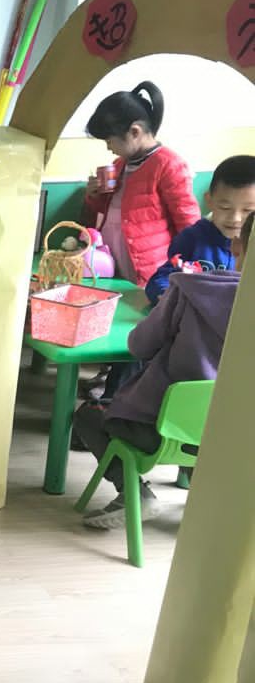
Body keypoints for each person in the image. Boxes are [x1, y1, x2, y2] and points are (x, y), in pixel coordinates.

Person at [75, 212, 247, 529]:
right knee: (207, 419)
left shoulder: (189, 290)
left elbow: (139, 346)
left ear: (236, 247)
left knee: (88, 414)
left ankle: (134, 494)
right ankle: (206, 505)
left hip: (158, 431)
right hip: (230, 439)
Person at [84, 82, 200, 287]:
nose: (109, 147)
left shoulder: (169, 164)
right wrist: (94, 196)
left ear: (134, 132)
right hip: (112, 261)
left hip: (149, 268)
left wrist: (187, 269)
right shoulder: (119, 165)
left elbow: (187, 222)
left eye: (109, 141)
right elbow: (110, 209)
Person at [144, 154, 255, 304]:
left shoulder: (251, 245)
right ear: (209, 201)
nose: (235, 218)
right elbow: (160, 280)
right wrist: (167, 297)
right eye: (225, 207)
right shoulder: (191, 239)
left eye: (248, 211)